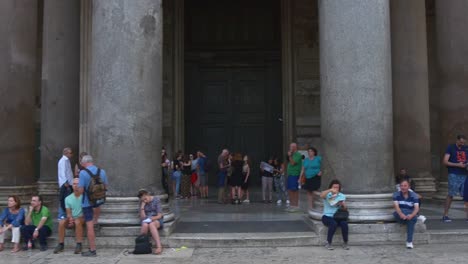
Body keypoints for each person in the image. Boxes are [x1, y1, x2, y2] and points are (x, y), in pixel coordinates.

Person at [78, 155, 109, 257]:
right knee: (96, 210)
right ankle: (96, 220)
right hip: (99, 200)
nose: (81, 165)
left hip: (87, 202)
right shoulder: (102, 171)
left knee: (89, 226)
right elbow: (105, 187)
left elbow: (81, 190)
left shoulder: (82, 173)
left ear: (84, 163)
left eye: (81, 163)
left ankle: (92, 250)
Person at [53, 178, 84, 254]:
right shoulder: (67, 198)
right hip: (73, 217)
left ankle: (79, 244)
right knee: (61, 222)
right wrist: (70, 219)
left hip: (82, 218)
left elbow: (86, 212)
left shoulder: (84, 197)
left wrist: (77, 218)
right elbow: (68, 213)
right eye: (74, 184)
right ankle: (61, 244)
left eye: (77, 184)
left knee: (77, 221)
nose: (76, 186)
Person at [442, 135, 468, 222]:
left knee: (466, 195)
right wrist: (458, 165)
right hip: (454, 174)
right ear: (457, 140)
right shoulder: (451, 147)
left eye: (463, 142)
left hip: (465, 174)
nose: (462, 144)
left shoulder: (466, 148)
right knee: (451, 194)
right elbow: (445, 161)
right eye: (461, 142)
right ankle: (445, 215)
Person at [320, 180, 349, 250]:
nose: (336, 189)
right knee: (333, 223)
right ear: (331, 187)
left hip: (338, 216)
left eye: (337, 187)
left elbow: (345, 209)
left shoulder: (341, 196)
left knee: (344, 223)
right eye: (334, 187)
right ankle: (328, 242)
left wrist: (344, 206)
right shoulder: (327, 194)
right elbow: (321, 195)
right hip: (327, 216)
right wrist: (330, 190)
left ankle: (345, 242)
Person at [393, 179, 420, 249]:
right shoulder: (396, 194)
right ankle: (409, 242)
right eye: (401, 186)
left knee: (412, 218)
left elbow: (416, 208)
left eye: (405, 186)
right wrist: (401, 214)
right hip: (399, 214)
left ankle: (409, 241)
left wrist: (411, 215)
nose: (403, 187)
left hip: (409, 215)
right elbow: (396, 207)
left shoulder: (414, 195)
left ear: (409, 187)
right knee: (406, 214)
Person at [137, 190, 164, 255]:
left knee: (151, 224)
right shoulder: (142, 202)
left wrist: (151, 218)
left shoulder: (156, 200)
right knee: (144, 225)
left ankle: (159, 246)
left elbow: (159, 215)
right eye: (143, 200)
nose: (145, 201)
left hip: (156, 219)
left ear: (148, 194)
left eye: (145, 199)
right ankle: (143, 246)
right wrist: (142, 207)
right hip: (146, 220)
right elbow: (143, 218)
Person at [58, 147, 74, 221]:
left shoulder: (67, 161)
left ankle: (65, 216)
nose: (72, 154)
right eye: (70, 153)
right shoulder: (63, 161)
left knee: (67, 201)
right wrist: (66, 183)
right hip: (66, 184)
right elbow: (62, 173)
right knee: (64, 200)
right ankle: (61, 216)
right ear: (66, 153)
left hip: (69, 184)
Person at [287, 143, 302, 208]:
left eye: (291, 147)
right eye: (290, 147)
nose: (290, 148)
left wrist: (290, 156)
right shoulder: (292, 154)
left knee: (294, 190)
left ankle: (295, 205)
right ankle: (291, 204)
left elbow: (293, 163)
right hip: (290, 174)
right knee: (290, 189)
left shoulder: (298, 154)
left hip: (295, 174)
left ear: (294, 147)